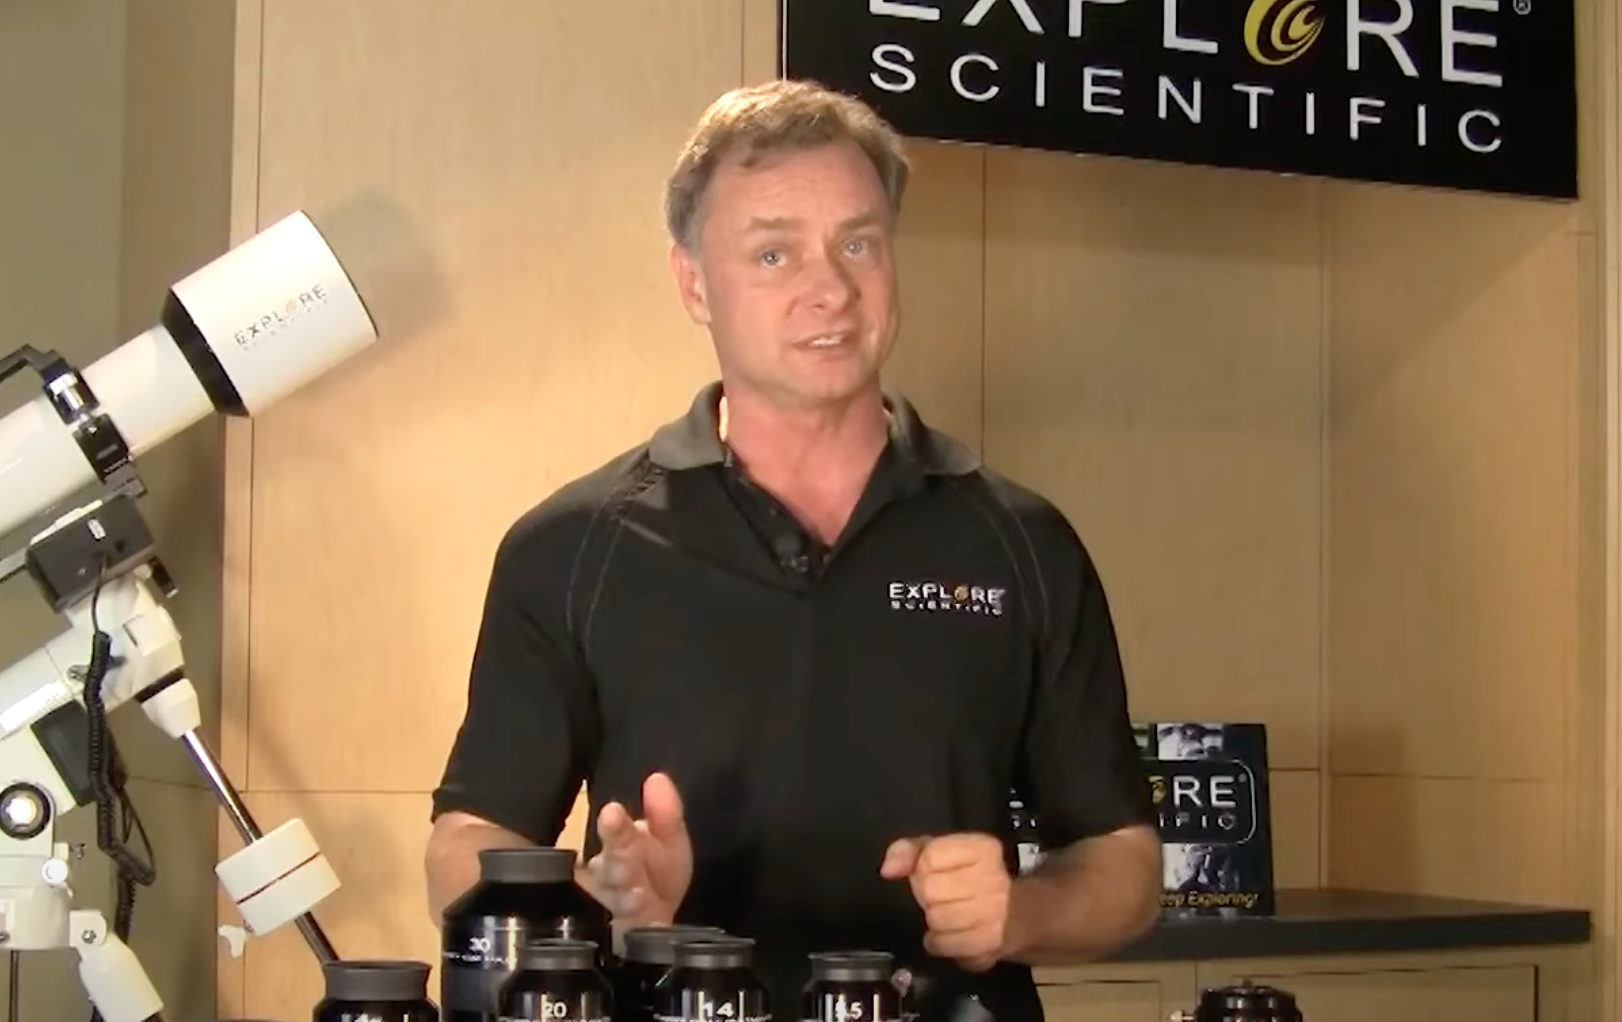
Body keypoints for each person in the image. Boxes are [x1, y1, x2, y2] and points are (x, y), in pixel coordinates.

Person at [424, 78, 1162, 1021]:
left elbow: (1124, 863)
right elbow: (463, 846)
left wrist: (1020, 914)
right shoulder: (572, 548)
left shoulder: (1023, 542)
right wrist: (591, 909)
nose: (831, 290)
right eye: (773, 253)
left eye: (858, 243)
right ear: (694, 283)